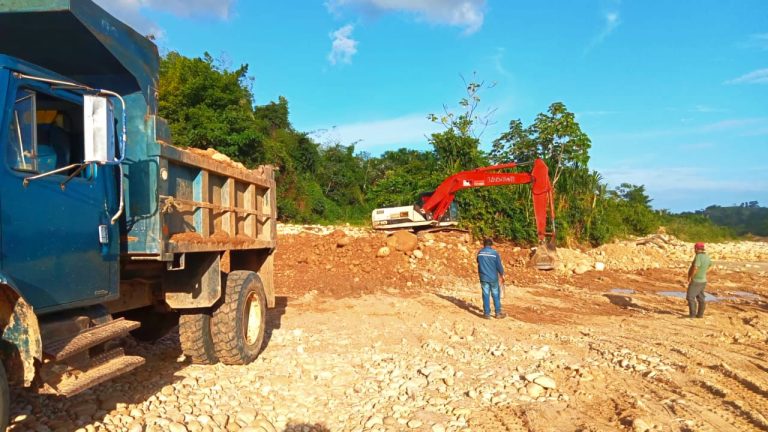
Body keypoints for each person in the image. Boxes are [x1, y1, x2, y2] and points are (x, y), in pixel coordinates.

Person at [477, 238, 506, 319]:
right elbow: (499, 265)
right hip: (493, 277)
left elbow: (478, 262)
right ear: (491, 245)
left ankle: (486, 314)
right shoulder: (494, 253)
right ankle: (498, 313)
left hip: (483, 277)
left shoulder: (480, 253)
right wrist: (502, 274)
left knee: (485, 295)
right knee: (496, 294)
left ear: (484, 244)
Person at [686, 242, 712, 318]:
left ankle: (692, 315)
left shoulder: (698, 256)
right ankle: (700, 315)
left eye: (695, 248)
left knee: (690, 297)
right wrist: (704, 272)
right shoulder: (707, 257)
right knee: (700, 297)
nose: (694, 250)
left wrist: (691, 277)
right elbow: (711, 266)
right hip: (703, 280)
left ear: (696, 249)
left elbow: (696, 267)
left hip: (696, 280)